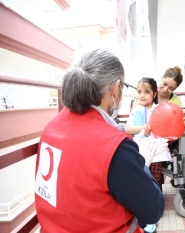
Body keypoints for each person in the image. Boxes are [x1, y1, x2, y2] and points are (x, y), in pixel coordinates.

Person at [34, 49, 168, 232]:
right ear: (115, 87)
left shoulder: (51, 127)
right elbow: (153, 210)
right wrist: (142, 162)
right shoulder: (115, 146)